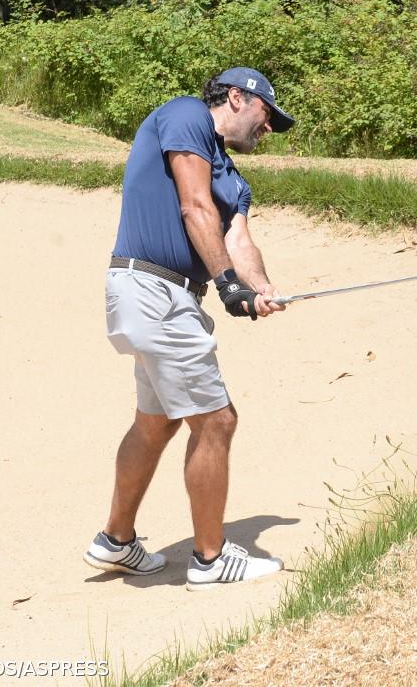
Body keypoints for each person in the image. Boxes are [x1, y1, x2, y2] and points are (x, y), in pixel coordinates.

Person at [83, 66, 294, 591]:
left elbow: (239, 241)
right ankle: (210, 558)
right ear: (238, 98)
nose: (269, 130)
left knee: (158, 423)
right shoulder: (186, 115)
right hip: (153, 290)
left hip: (169, 299)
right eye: (268, 116)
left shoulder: (236, 181)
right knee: (217, 422)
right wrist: (227, 284)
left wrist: (259, 288)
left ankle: (115, 540)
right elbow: (192, 203)